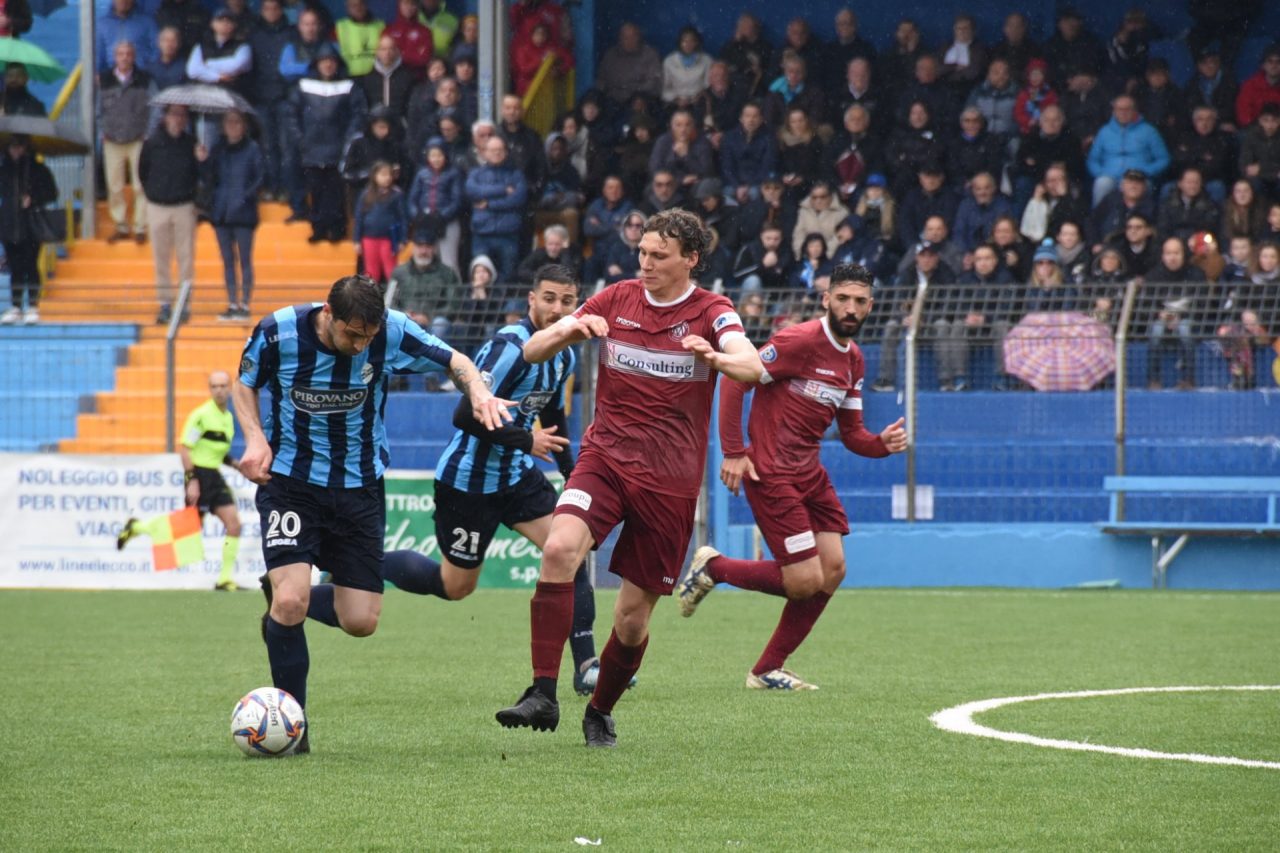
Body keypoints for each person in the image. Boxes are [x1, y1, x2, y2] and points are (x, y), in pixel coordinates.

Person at [494, 209, 763, 747]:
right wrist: (571, 329)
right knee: (559, 549)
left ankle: (600, 711)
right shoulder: (616, 298)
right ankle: (542, 692)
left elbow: (752, 366)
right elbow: (531, 349)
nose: (646, 263)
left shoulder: (713, 311)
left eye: (659, 256)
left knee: (632, 620)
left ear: (691, 259)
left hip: (669, 482)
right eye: (642, 252)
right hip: (606, 459)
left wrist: (716, 356)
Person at [235, 275, 510, 754]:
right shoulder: (278, 331)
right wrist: (256, 438)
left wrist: (479, 394)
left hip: (359, 488)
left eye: (369, 336)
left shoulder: (393, 330)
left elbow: (457, 361)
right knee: (292, 601)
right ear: (328, 314)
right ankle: (293, 729)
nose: (362, 345)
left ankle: (283, 603)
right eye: (353, 335)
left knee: (360, 620)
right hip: (291, 485)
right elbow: (245, 383)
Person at [383, 265, 617, 694]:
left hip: (516, 477)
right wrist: (526, 440)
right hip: (468, 483)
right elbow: (463, 415)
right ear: (531, 299)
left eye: (567, 301)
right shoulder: (509, 347)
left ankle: (587, 664)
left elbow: (553, 419)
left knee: (570, 550)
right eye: (549, 298)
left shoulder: (564, 354)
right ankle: (366, 562)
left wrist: (573, 475)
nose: (558, 309)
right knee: (456, 586)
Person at [678, 265, 906, 689]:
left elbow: (852, 433)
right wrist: (733, 451)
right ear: (826, 299)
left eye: (859, 301)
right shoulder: (798, 341)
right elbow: (736, 381)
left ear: (870, 306)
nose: (850, 308)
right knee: (804, 581)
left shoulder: (854, 360)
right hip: (772, 472)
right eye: (843, 298)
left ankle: (766, 669)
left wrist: (881, 444)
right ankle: (715, 567)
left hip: (809, 472)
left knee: (833, 569)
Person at [116, 372, 245, 590]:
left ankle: (224, 579)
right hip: (199, 475)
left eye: (223, 386)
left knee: (234, 525)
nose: (219, 390)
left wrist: (235, 464)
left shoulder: (228, 418)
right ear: (209, 389)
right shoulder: (201, 416)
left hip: (214, 476)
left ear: (230, 388)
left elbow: (217, 451)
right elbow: (185, 449)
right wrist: (191, 480)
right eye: (214, 386)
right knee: (187, 530)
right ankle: (137, 527)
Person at [198, 109, 263, 321]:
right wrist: (203, 160)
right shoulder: (218, 149)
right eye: (229, 122)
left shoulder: (252, 149)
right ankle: (232, 302)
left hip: (244, 213)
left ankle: (245, 303)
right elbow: (209, 178)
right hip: (221, 212)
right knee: (227, 260)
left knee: (244, 259)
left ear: (244, 125)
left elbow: (260, 178)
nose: (233, 126)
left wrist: (244, 198)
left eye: (237, 122)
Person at [139, 104, 199, 325]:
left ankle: (184, 304)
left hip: (184, 206)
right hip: (157, 206)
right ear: (165, 117)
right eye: (174, 114)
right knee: (161, 259)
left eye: (182, 115)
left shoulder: (191, 143)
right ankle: (165, 304)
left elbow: (199, 175)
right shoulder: (152, 143)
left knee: (186, 258)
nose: (178, 119)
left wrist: (202, 159)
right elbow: (142, 171)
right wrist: (152, 193)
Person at [98, 42, 154, 245]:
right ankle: (121, 225)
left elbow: (155, 105)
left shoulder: (145, 79)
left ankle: (140, 226)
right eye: (120, 54)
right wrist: (101, 132)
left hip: (138, 138)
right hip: (112, 139)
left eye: (128, 54)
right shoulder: (103, 79)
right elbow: (96, 108)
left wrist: (148, 132)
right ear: (114, 57)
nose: (124, 57)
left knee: (141, 184)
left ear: (134, 56)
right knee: (114, 185)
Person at [0, 135, 55, 326]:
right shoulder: (4, 170)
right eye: (12, 147)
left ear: (26, 147)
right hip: (8, 225)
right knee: (15, 268)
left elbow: (52, 193)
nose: (15, 151)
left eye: (19, 146)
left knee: (31, 266)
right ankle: (15, 306)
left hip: (31, 225)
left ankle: (32, 305)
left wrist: (33, 197)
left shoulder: (38, 170)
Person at [465, 136, 528, 280]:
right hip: (482, 232)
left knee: (508, 274)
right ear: (485, 152)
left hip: (508, 233)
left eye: (500, 150)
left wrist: (489, 204)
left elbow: (518, 199)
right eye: (493, 150)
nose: (497, 153)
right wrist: (503, 190)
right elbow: (473, 191)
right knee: (480, 274)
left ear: (506, 152)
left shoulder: (516, 174)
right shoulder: (476, 173)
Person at [389, 223, 462, 328]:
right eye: (420, 246)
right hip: (405, 323)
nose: (423, 251)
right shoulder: (398, 273)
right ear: (413, 248)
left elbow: (454, 304)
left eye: (428, 247)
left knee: (440, 323)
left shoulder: (447, 273)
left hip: (434, 323)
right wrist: (404, 315)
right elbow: (389, 302)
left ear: (434, 249)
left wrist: (428, 317)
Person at [353, 161, 408, 285]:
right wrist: (356, 240)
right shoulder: (366, 194)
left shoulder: (397, 194)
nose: (387, 178)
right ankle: (371, 295)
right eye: (383, 174)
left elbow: (403, 218)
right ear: (374, 176)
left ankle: (394, 295)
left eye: (389, 175)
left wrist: (403, 239)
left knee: (391, 270)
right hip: (369, 237)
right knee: (371, 271)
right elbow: (359, 217)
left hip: (389, 238)